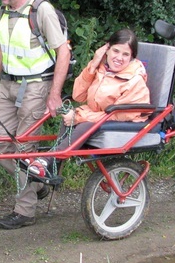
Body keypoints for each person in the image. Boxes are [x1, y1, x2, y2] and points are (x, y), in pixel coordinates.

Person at [0, 0, 71, 230]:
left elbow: (63, 51)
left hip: (35, 87)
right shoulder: (5, 10)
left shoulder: (42, 10)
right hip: (7, 86)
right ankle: (37, 180)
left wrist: (54, 94)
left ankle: (25, 210)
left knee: (23, 147)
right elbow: (1, 49)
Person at [26, 28, 151, 178]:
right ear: (107, 49)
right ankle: (50, 168)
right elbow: (78, 95)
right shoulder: (103, 69)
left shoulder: (134, 80)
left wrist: (79, 117)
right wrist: (93, 65)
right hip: (101, 116)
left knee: (82, 123)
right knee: (68, 120)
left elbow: (119, 114)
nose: (119, 58)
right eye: (116, 51)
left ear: (132, 57)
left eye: (126, 54)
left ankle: (47, 160)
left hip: (124, 121)